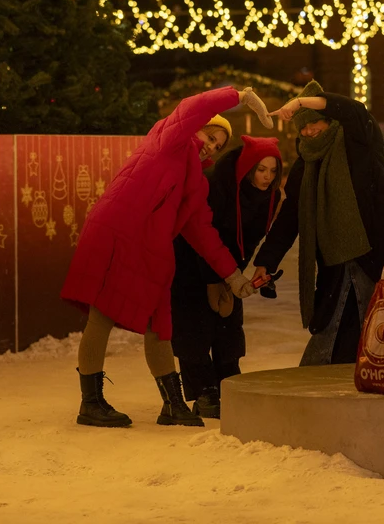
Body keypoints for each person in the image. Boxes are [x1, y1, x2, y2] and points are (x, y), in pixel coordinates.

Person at [60, 86, 272, 428]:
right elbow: (192, 107)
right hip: (119, 233)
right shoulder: (169, 139)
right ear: (196, 127)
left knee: (160, 323)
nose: (213, 144)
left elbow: (202, 232)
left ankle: (173, 404)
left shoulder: (195, 181)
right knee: (102, 314)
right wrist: (239, 95)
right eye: (211, 134)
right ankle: (91, 402)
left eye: (219, 144)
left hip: (152, 247)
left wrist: (233, 277)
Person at [252, 81, 384, 367]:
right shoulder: (305, 166)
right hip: (336, 270)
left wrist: (301, 103)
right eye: (302, 127)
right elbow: (290, 218)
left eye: (314, 122)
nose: (308, 131)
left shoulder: (359, 144)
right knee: (334, 343)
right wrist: (266, 260)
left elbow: (354, 110)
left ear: (330, 120)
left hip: (381, 258)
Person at [171, 135, 283, 419]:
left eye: (273, 171)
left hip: (227, 264)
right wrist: (216, 277)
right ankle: (203, 391)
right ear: (247, 168)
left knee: (228, 323)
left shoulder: (269, 194)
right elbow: (202, 235)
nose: (267, 177)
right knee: (194, 325)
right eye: (261, 170)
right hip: (189, 259)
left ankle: (229, 381)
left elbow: (251, 238)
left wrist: (238, 275)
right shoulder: (214, 183)